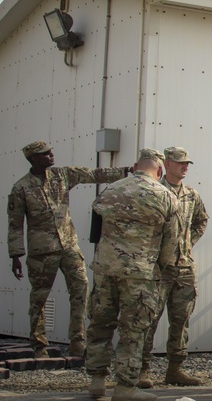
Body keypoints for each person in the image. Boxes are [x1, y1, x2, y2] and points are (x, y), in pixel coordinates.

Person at [6, 141, 130, 359]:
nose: (51, 155)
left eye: (51, 152)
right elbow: (15, 224)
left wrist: (127, 171)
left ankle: (77, 341)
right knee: (39, 298)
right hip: (42, 252)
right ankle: (39, 345)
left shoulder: (62, 175)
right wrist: (16, 255)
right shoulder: (21, 188)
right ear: (34, 159)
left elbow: (94, 174)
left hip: (69, 246)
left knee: (81, 289)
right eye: (45, 154)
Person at [85, 149, 180, 401]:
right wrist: (158, 267)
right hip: (140, 273)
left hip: (106, 270)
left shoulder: (109, 190)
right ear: (160, 170)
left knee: (100, 323)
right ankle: (125, 387)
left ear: (136, 165)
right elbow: (171, 243)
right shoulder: (166, 196)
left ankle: (97, 379)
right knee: (134, 330)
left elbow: (95, 233)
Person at [137, 146, 209, 388]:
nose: (184, 167)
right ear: (166, 164)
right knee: (150, 318)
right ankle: (142, 369)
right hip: (159, 268)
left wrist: (187, 243)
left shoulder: (191, 195)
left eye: (187, 163)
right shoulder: (156, 192)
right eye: (180, 162)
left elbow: (201, 220)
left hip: (185, 267)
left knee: (181, 320)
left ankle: (175, 369)